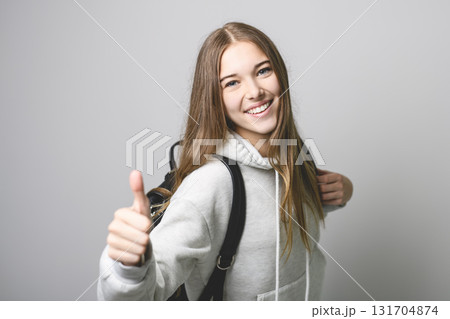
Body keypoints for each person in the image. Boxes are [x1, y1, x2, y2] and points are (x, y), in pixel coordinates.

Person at [97, 21, 353, 301]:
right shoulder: (211, 183)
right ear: (214, 99)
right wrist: (128, 267)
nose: (255, 91)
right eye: (232, 83)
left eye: (263, 71)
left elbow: (277, 216)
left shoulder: (293, 152)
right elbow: (144, 294)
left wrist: (338, 193)